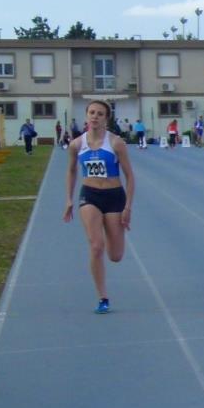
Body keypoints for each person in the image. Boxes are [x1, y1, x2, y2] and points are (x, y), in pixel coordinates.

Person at [63, 100, 135, 314]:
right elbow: (71, 171)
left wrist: (128, 207)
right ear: (86, 116)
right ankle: (103, 297)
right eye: (92, 112)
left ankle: (112, 231)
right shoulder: (76, 144)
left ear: (106, 118)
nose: (95, 116)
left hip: (114, 196)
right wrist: (69, 199)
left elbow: (130, 176)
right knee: (96, 246)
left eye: (100, 113)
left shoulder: (116, 143)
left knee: (115, 256)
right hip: (90, 195)